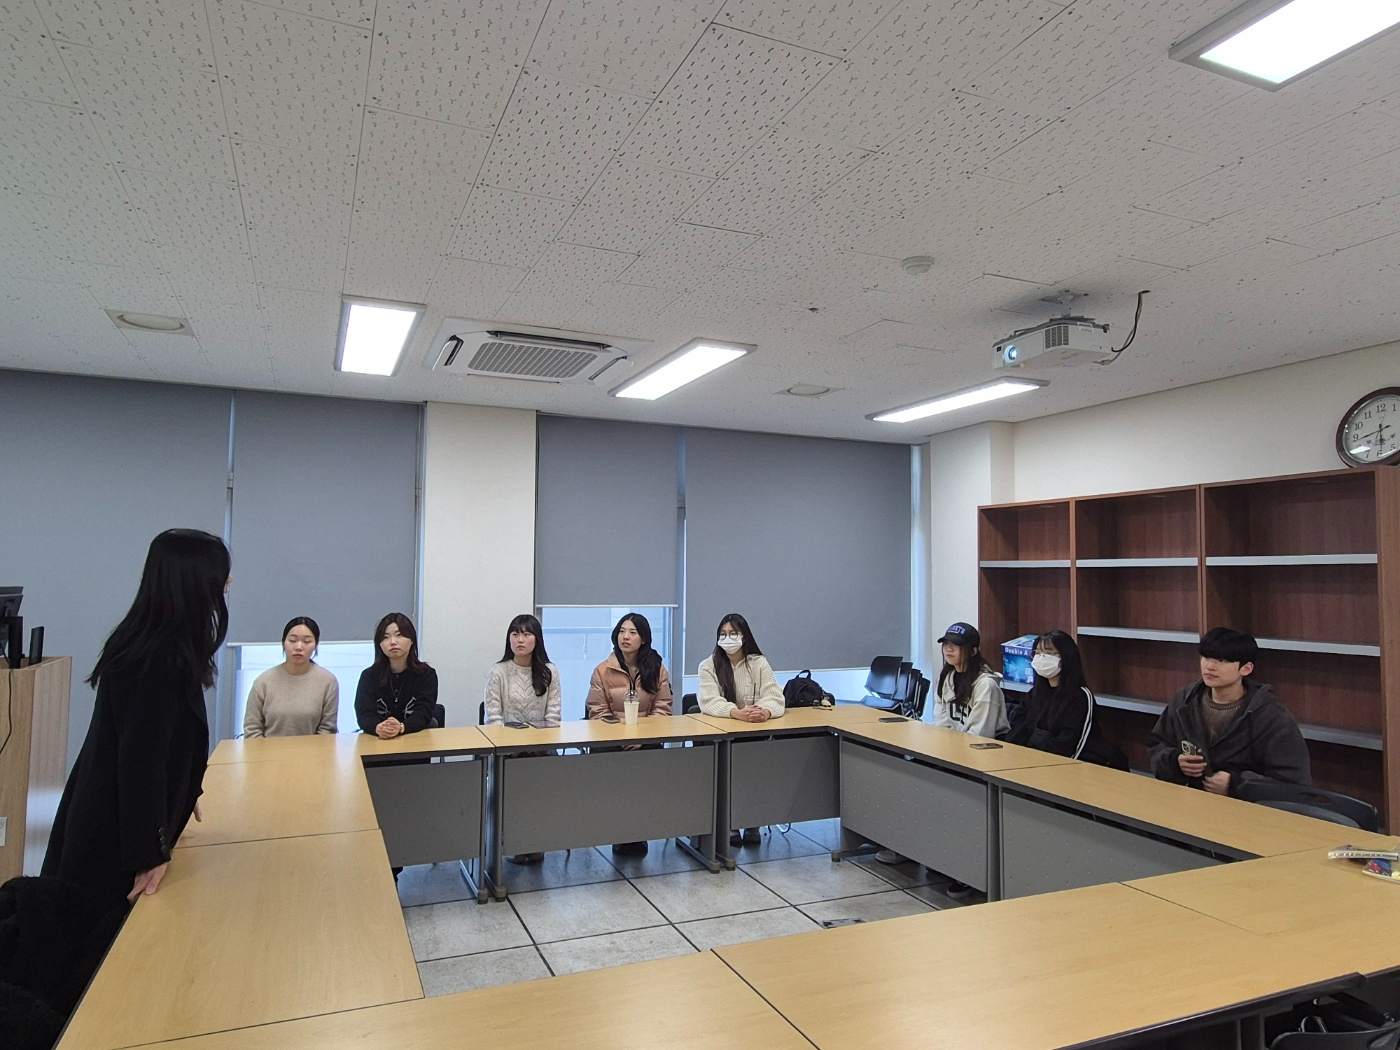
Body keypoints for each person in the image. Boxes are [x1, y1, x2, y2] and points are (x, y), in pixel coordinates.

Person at [42, 529, 229, 905]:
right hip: (111, 839)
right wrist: (149, 854)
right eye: (220, 573)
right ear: (193, 581)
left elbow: (167, 742)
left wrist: (182, 791)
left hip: (114, 818)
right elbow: (140, 761)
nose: (228, 582)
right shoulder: (155, 657)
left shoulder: (162, 642)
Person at [880, 621, 1008, 895]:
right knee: (911, 775)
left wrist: (949, 757)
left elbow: (980, 735)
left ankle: (965, 871)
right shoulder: (947, 677)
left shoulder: (986, 685)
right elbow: (942, 724)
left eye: (956, 646)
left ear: (973, 650)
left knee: (953, 795)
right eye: (946, 644)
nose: (948, 649)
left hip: (983, 759)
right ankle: (915, 849)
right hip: (953, 753)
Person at [1148, 627, 1310, 795]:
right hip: (1193, 800)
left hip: (1247, 808)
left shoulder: (1271, 716)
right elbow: (1157, 746)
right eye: (1205, 657)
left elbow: (1294, 784)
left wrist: (1237, 785)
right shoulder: (1184, 700)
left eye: (1222, 660)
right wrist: (1176, 763)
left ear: (1246, 669)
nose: (1210, 666)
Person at [586, 612, 673, 856]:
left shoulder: (657, 668)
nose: (626, 637)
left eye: (633, 632)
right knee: (616, 774)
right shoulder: (602, 671)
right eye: (622, 631)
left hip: (646, 740)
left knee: (646, 770)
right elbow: (598, 711)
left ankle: (640, 832)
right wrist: (624, 737)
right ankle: (619, 832)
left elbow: (662, 709)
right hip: (612, 740)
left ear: (643, 638)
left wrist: (640, 737)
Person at [697, 613, 785, 846]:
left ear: (744, 637)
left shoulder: (759, 663)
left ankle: (752, 822)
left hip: (753, 735)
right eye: (723, 634)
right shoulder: (708, 666)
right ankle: (730, 823)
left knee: (755, 771)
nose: (728, 638)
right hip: (722, 736)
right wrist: (736, 712)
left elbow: (775, 696)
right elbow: (708, 701)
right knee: (729, 773)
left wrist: (765, 712)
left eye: (733, 633)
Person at [484, 614, 561, 866]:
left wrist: (539, 745)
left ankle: (537, 842)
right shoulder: (498, 672)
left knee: (541, 789)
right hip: (508, 751)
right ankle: (512, 843)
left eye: (527, 634)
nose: (520, 639)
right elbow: (493, 718)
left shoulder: (549, 671)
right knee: (512, 787)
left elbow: (553, 716)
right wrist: (511, 746)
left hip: (541, 750)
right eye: (515, 634)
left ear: (537, 639)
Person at [1004, 630, 1126, 769]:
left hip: (1066, 767)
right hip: (1032, 762)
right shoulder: (1035, 693)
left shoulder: (1080, 697)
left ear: (1066, 658)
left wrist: (1038, 759)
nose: (1041, 658)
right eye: (1037, 653)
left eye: (1048, 653)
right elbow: (1019, 728)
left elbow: (1070, 744)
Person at [242, 616, 339, 738]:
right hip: (268, 749)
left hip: (312, 750)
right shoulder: (263, 682)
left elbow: (327, 730)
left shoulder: (327, 681)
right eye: (292, 640)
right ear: (283, 643)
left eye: (307, 641)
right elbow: (252, 729)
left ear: (316, 645)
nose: (299, 647)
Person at [355, 613, 437, 739]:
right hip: (378, 741)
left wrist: (401, 727)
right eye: (386, 637)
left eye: (399, 635)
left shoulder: (426, 674)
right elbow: (364, 713)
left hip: (414, 741)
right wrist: (377, 728)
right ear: (379, 644)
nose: (393, 642)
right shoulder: (369, 676)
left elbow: (423, 712)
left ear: (412, 640)